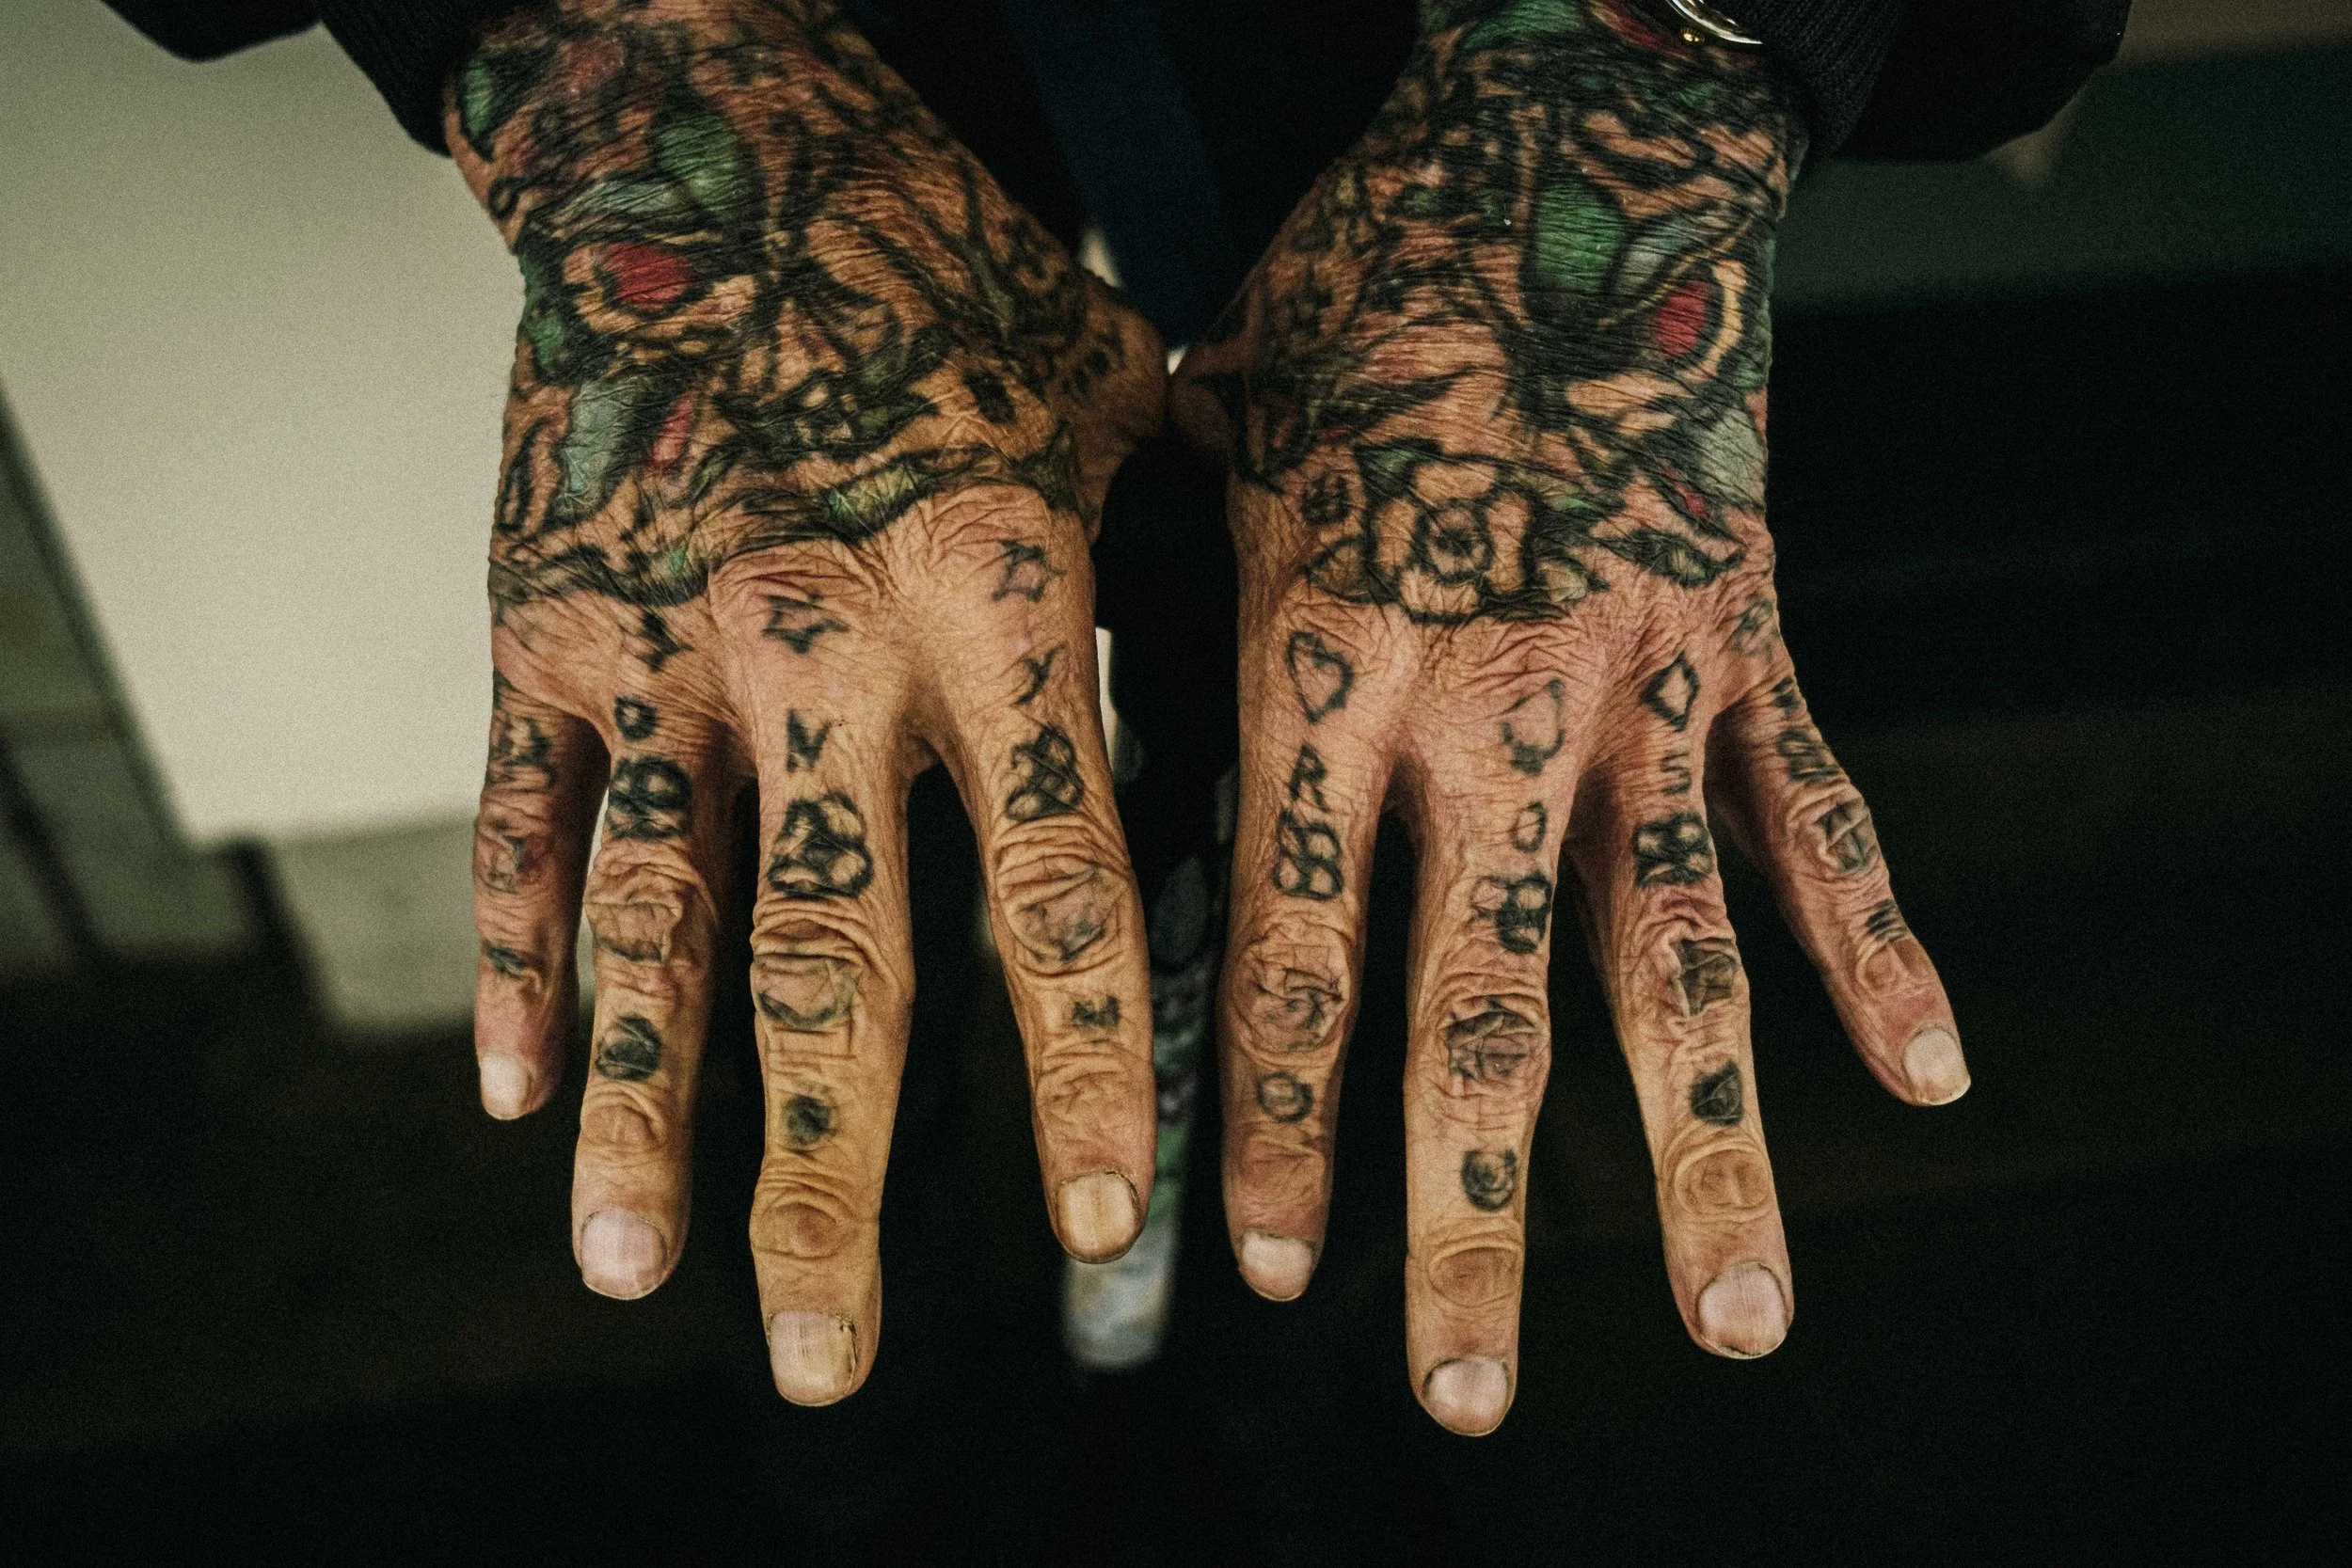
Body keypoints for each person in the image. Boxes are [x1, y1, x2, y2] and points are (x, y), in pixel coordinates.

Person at [102, 0, 2126, 1435]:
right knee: (781, 762)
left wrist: (1667, 56)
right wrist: (601, 51)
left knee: (1381, 772)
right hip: (769, 40)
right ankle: (860, 1353)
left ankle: (1279, 1345)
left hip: (1420, 51)